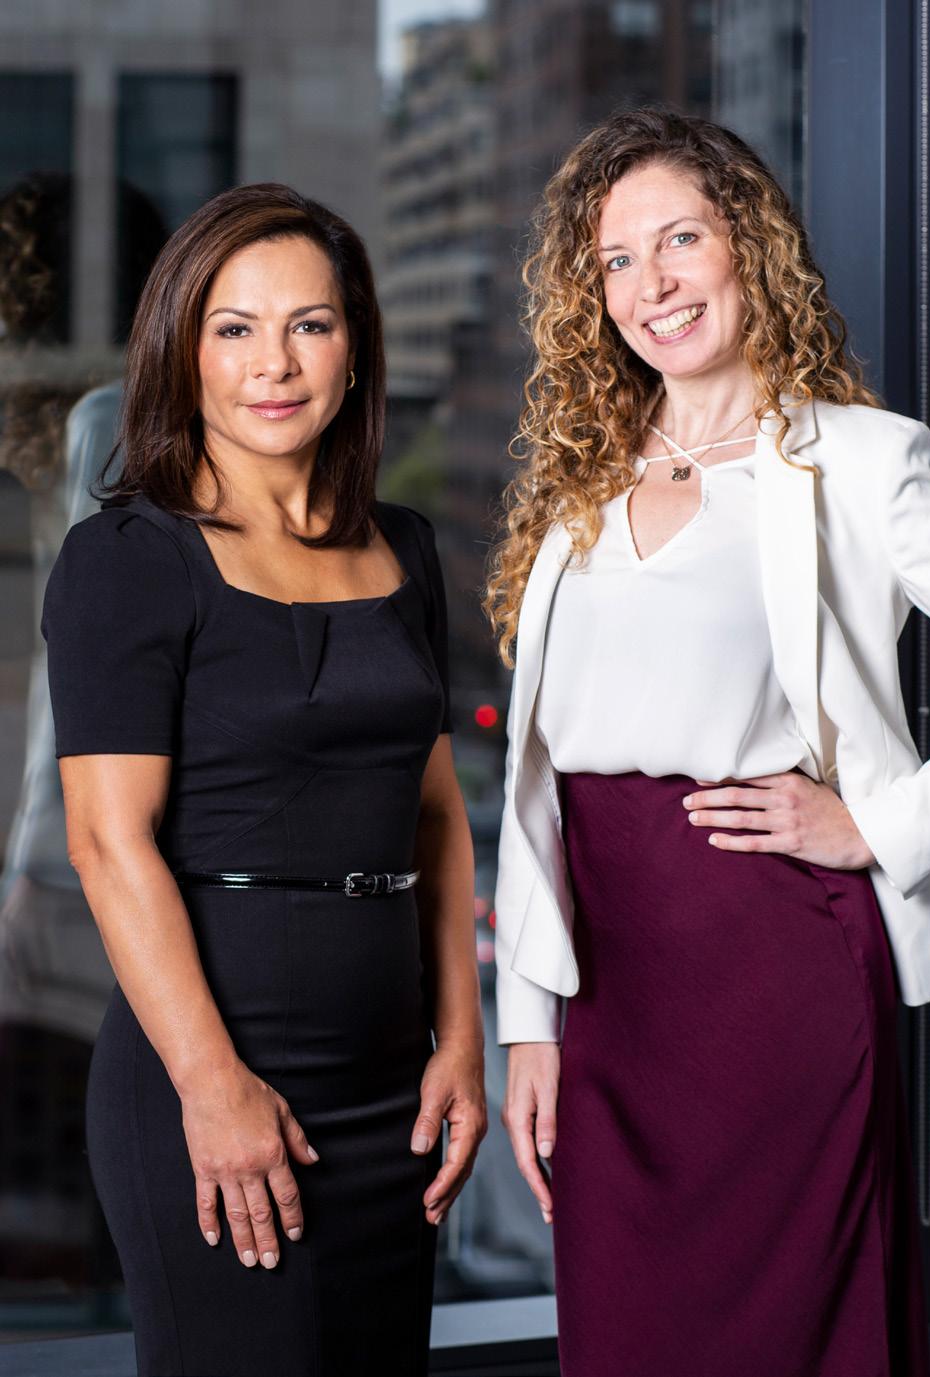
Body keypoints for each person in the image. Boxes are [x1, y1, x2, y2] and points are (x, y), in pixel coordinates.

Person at [486, 106, 930, 1377]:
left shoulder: (861, 462)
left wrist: (877, 826)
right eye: (618, 260)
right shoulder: (577, 482)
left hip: (779, 967)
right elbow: (539, 784)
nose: (653, 285)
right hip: (607, 987)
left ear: (750, 243)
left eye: (681, 239)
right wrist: (528, 1021)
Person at [41, 183, 486, 1377]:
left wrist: (460, 1040)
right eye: (233, 328)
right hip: (218, 1075)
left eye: (310, 324)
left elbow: (436, 814)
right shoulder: (127, 558)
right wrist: (212, 1087)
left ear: (355, 345)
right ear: (181, 351)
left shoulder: (405, 546)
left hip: (392, 1083)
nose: (273, 364)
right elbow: (107, 842)